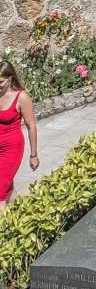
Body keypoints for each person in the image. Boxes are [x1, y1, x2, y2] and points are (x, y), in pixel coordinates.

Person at [0, 60, 38, 205]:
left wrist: (33, 155)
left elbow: (31, 126)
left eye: (1, 82)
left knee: (0, 189)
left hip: (11, 148)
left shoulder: (21, 97)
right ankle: (21, 210)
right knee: (7, 187)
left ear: (10, 79)